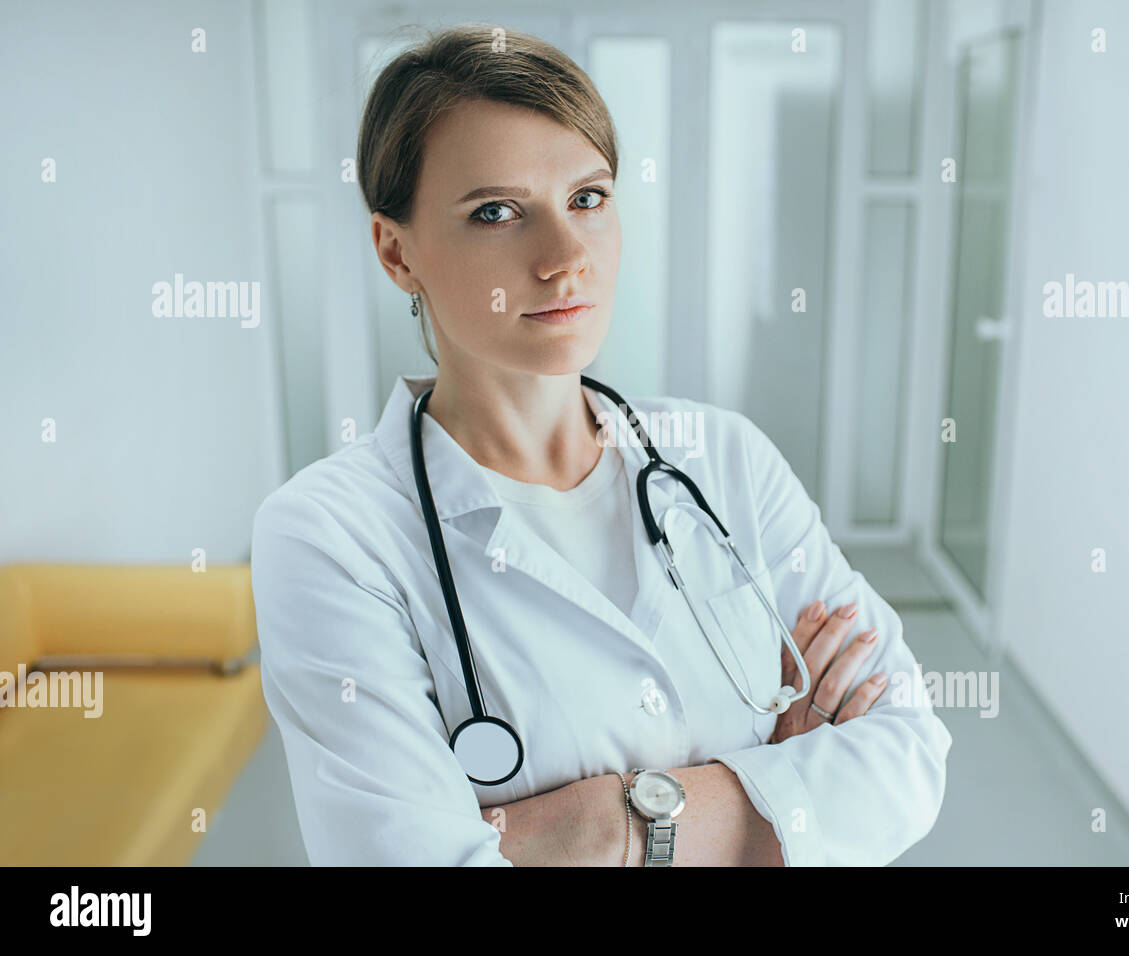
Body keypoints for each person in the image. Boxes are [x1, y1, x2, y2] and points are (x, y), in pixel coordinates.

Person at [250, 24, 952, 866]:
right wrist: (776, 784)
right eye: (497, 213)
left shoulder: (722, 458)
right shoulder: (331, 536)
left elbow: (907, 756)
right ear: (397, 252)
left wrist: (605, 825)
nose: (564, 258)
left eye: (587, 198)